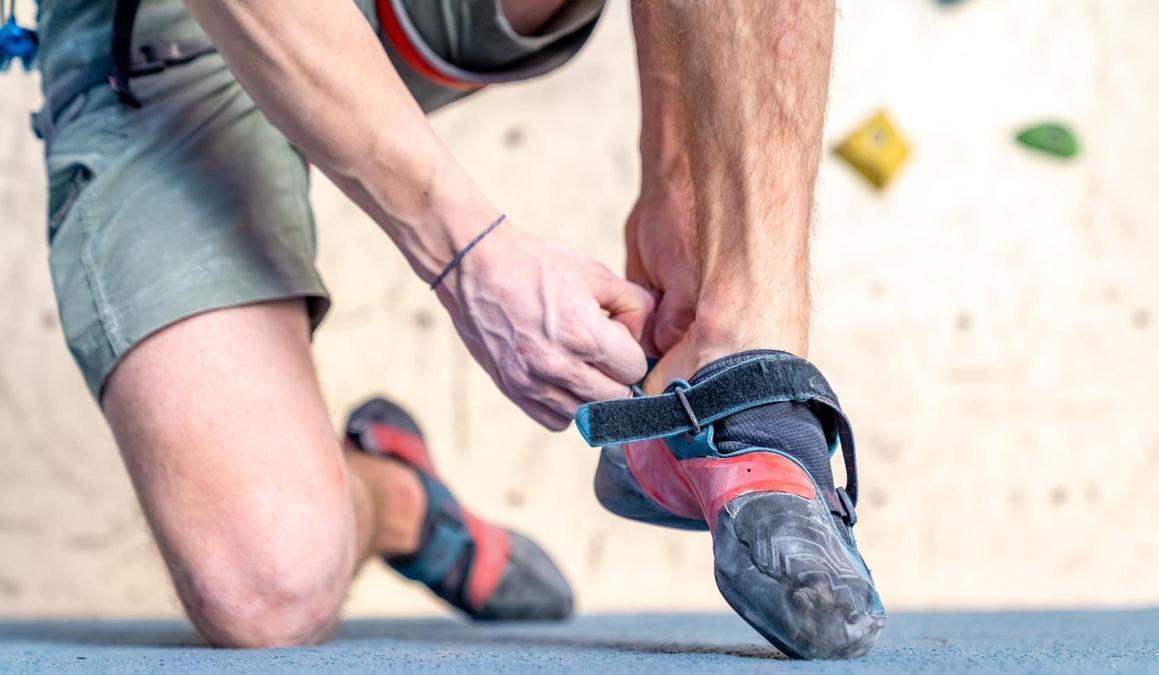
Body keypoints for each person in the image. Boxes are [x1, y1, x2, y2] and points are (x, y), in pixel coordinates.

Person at [33, 0, 884, 659]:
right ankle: (400, 499)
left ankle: (749, 387)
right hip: (167, 32)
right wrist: (469, 255)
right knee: (266, 585)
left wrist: (679, 180)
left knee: (735, 324)